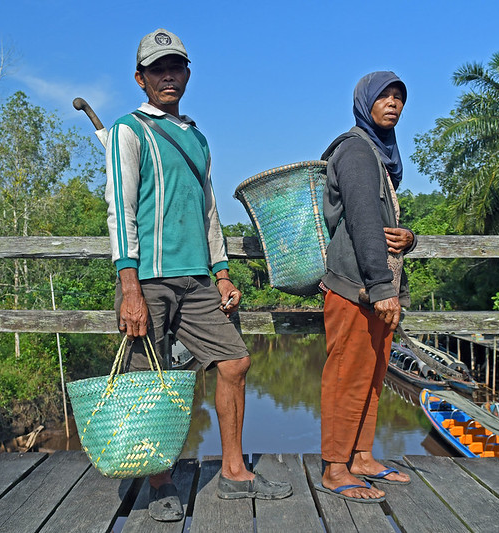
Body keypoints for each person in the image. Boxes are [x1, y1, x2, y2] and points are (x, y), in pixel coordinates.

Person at [104, 28, 292, 522]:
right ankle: (159, 480)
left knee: (234, 363)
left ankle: (234, 471)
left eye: (177, 67)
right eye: (158, 69)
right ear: (141, 78)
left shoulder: (196, 137)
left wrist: (223, 273)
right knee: (151, 380)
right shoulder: (130, 129)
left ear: (187, 74)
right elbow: (120, 211)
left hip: (198, 281)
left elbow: (209, 211)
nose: (169, 76)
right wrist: (130, 287)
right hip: (148, 281)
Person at [316, 71, 416, 502]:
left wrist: (411, 240)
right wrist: (381, 287)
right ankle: (336, 467)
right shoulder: (356, 150)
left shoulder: (382, 155)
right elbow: (360, 221)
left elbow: (386, 224)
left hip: (377, 288)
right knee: (347, 374)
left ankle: (360, 456)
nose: (392, 103)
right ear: (364, 103)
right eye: (384, 96)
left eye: (399, 97)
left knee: (373, 375)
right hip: (358, 287)